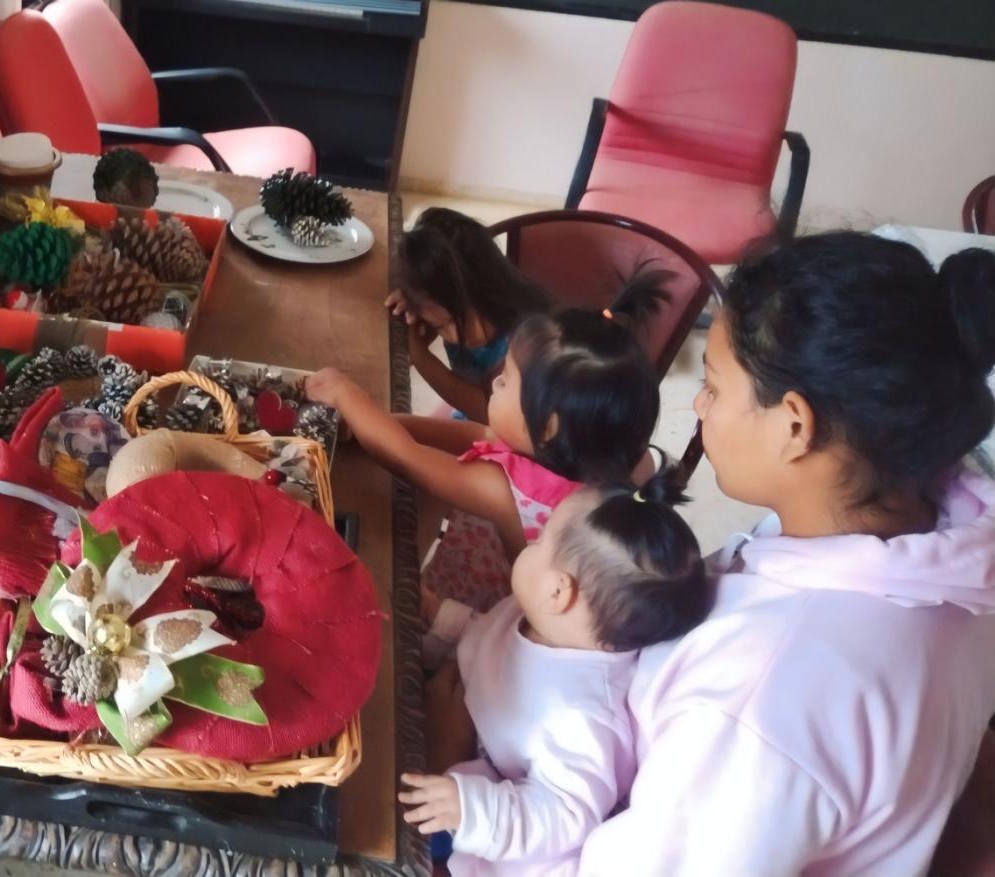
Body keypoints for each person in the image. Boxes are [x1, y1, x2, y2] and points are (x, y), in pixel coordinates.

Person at [573, 232, 995, 875]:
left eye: (713, 385)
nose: (698, 403)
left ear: (795, 425)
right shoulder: (949, 544)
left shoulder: (761, 700)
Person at [401, 468, 714, 876]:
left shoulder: (585, 716)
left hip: (492, 823)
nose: (528, 543)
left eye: (541, 539)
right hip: (464, 740)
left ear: (558, 591)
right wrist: (441, 618)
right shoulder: (539, 618)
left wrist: (472, 809)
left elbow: (565, 813)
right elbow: (488, 638)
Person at [306, 286, 662, 618]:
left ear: (547, 428)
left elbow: (406, 457)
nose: (494, 383)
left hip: (482, 614)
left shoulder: (506, 492)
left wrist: (346, 394)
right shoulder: (584, 455)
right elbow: (469, 435)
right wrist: (368, 421)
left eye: (506, 380)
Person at [387, 208, 554, 423]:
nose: (452, 335)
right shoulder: (444, 303)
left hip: (506, 432)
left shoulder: (528, 341)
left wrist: (420, 355)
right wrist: (412, 298)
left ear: (489, 287)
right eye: (439, 327)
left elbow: (486, 412)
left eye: (449, 322)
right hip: (471, 419)